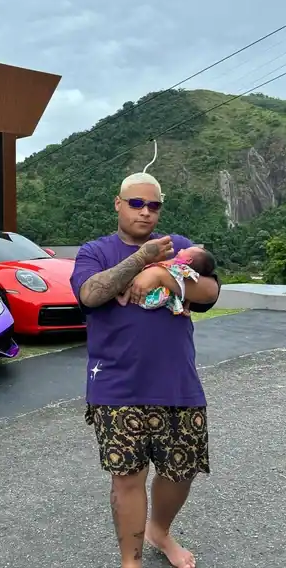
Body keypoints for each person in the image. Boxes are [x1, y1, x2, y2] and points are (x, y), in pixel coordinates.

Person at [70, 172, 220, 568]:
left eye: (154, 205)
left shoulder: (179, 247)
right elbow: (90, 294)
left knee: (181, 471)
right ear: (118, 204)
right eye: (136, 203)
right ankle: (131, 561)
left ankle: (160, 531)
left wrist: (159, 274)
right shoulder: (95, 251)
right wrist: (142, 260)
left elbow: (210, 292)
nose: (145, 212)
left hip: (177, 382)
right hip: (116, 384)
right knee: (127, 477)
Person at [116, 246, 216, 315]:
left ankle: (124, 299)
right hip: (159, 300)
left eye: (185, 250)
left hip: (150, 296)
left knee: (133, 281)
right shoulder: (188, 274)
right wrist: (186, 307)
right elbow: (187, 294)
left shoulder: (178, 265)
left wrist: (153, 269)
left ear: (188, 260)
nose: (181, 249)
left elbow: (161, 266)